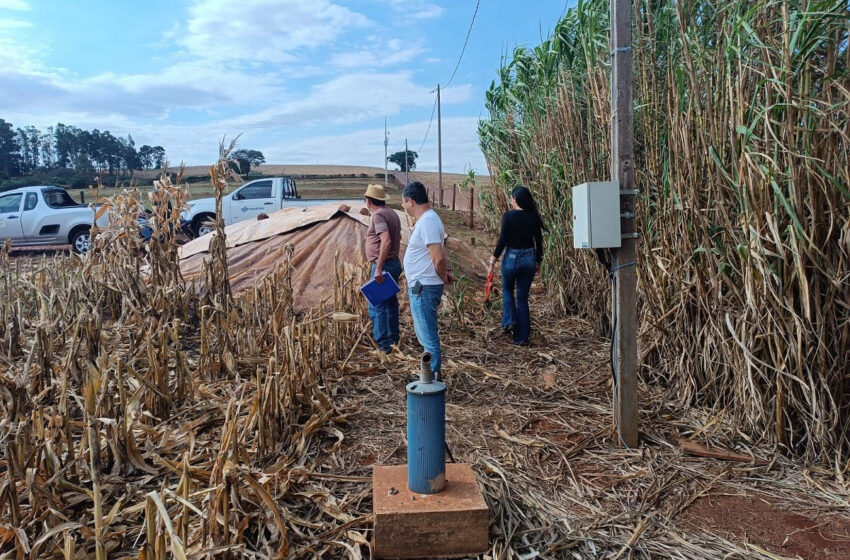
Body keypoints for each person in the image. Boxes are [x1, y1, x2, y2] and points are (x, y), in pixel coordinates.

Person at [402, 181, 449, 380]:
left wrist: (444, 276)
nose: (403, 206)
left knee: (429, 339)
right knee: (426, 336)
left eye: (403, 203)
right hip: (425, 285)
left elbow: (438, 257)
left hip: (424, 288)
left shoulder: (428, 221)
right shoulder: (428, 219)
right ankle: (429, 376)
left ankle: (432, 379)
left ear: (410, 201)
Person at [487, 185, 544, 346]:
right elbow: (539, 242)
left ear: (515, 199)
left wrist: (493, 261)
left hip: (511, 258)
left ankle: (510, 320)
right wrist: (538, 261)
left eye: (512, 198)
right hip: (529, 259)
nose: (511, 200)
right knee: (523, 298)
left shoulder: (508, 216)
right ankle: (522, 338)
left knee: (507, 289)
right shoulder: (533, 216)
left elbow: (502, 241)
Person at [364, 184, 402, 353]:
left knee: (377, 304)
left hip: (384, 265)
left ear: (368, 200)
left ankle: (383, 345)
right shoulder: (392, 213)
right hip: (393, 263)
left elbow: (385, 240)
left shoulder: (378, 216)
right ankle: (394, 339)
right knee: (391, 302)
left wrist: (378, 269)